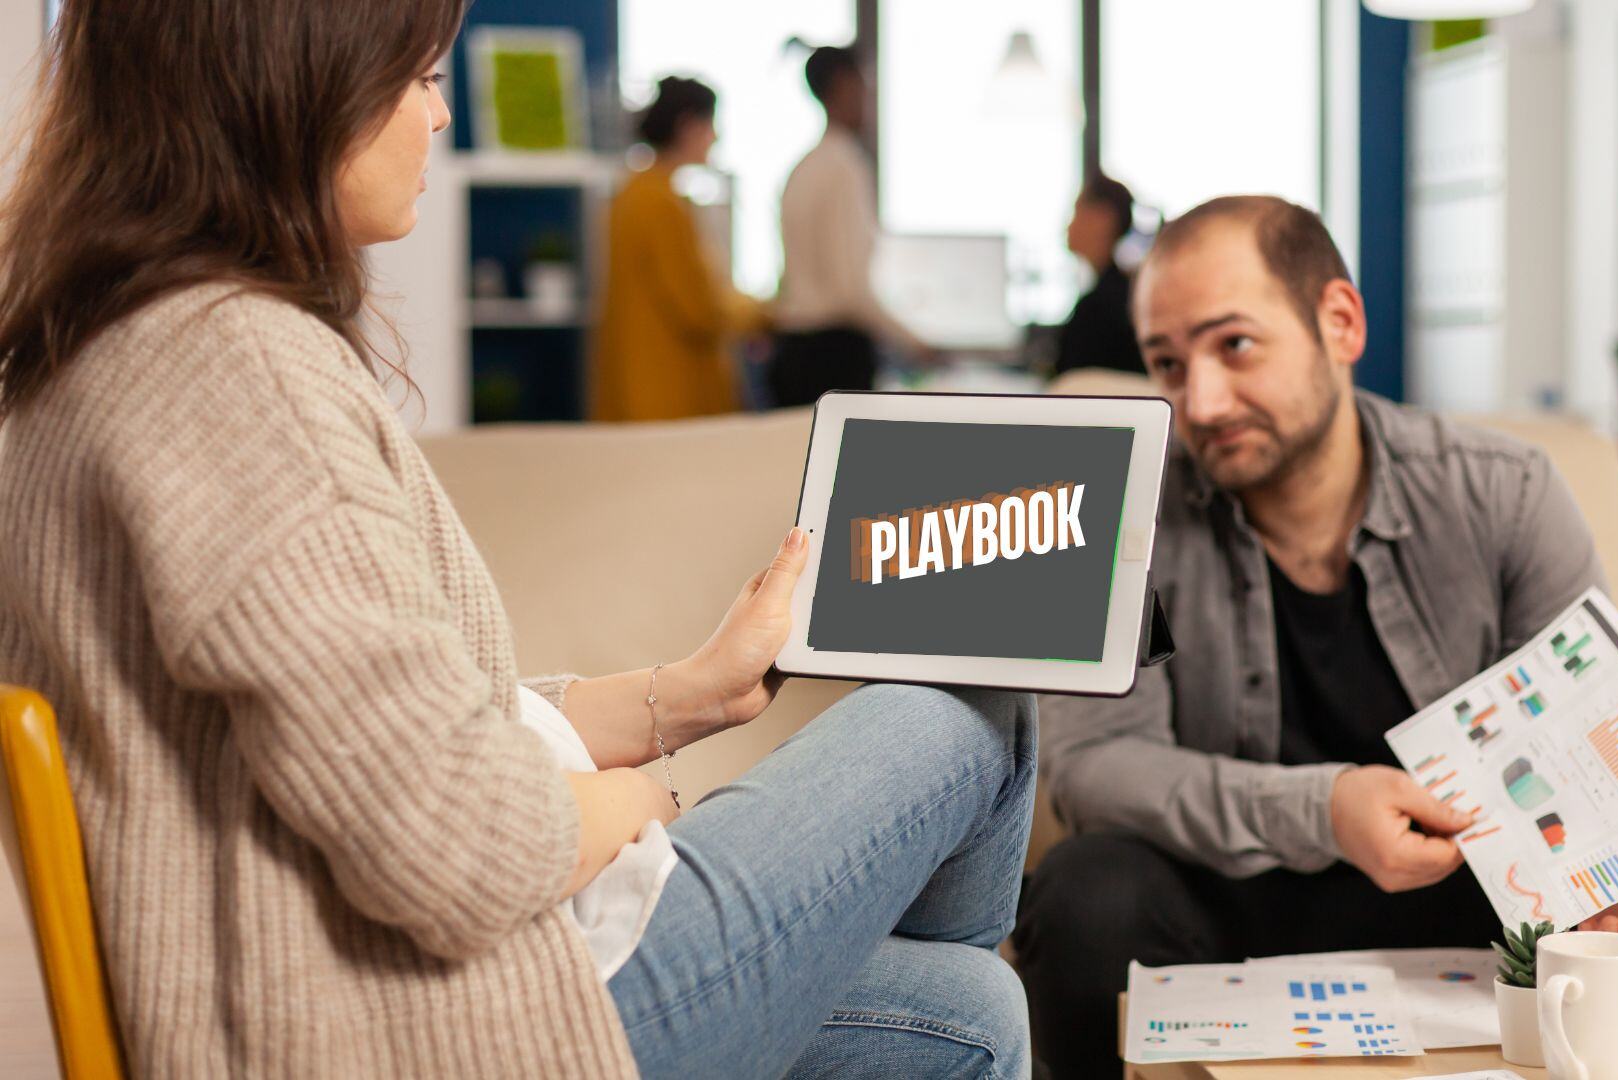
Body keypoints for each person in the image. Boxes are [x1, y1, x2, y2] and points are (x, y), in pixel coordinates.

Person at [0, 4, 1034, 1077]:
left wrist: (686, 694)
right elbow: (463, 846)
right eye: (418, 77)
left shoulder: (112, 349)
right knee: (969, 701)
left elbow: (405, 733)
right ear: (291, 86)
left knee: (967, 1012)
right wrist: (649, 809)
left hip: (399, 990)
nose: (439, 114)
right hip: (421, 1033)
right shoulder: (233, 374)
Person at [1008, 195, 1618, 1078]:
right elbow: (1098, 764)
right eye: (1168, 363)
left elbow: (1591, 727)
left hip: (1467, 893)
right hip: (1224, 892)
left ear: (1340, 322)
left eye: (1235, 345)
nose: (1201, 401)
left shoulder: (1504, 495)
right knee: (1084, 896)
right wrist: (1321, 810)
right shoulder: (1129, 518)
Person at [592, 76, 762, 422]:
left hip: (637, 386)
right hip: (667, 394)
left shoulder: (633, 193)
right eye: (710, 124)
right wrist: (760, 312)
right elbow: (699, 309)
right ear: (687, 125)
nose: (714, 137)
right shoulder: (661, 203)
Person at [770, 44, 928, 407]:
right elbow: (851, 289)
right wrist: (915, 343)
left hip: (793, 351)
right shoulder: (844, 166)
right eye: (865, 85)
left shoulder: (802, 168)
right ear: (844, 86)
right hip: (832, 358)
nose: (870, 97)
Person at [1055, 173, 1145, 376]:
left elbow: (1068, 386)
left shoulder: (1097, 309)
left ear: (1102, 219)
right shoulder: (1124, 292)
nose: (1067, 226)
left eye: (1076, 212)